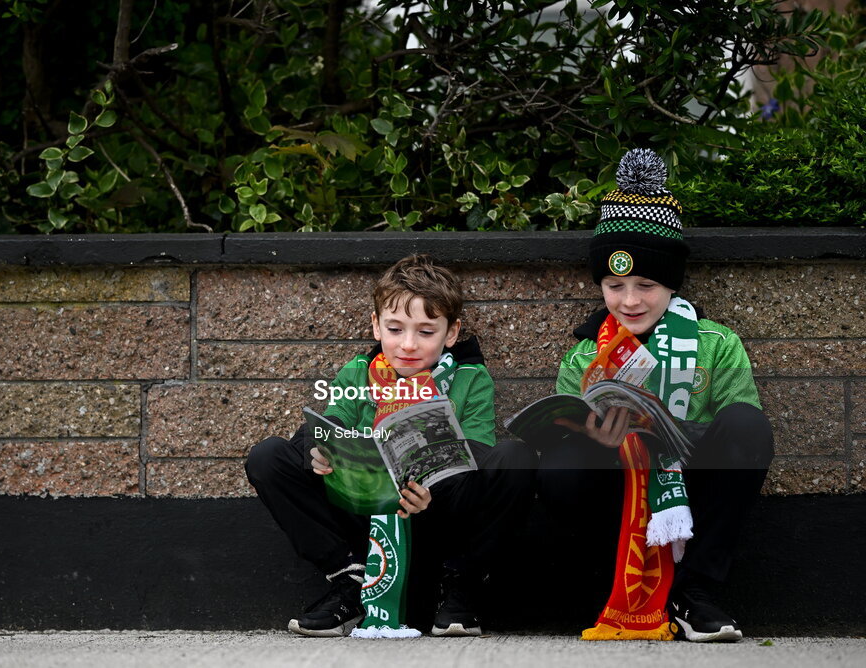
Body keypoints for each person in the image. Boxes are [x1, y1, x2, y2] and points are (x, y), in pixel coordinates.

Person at [537, 149, 774, 642]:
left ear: (670, 281)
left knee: (747, 426)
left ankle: (697, 592)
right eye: (614, 284)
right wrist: (590, 436)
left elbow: (741, 426)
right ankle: (617, 587)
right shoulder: (584, 355)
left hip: (695, 489)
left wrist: (673, 436)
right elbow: (559, 433)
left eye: (646, 284)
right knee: (559, 463)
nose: (630, 301)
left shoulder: (715, 343)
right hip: (617, 494)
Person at [246, 254, 536, 637]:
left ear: (451, 333)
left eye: (426, 332)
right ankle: (351, 580)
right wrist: (320, 450)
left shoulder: (470, 377)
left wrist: (432, 487)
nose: (408, 344)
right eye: (395, 329)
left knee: (514, 458)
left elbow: (479, 452)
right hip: (364, 512)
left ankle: (460, 589)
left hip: (438, 516)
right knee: (269, 456)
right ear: (376, 326)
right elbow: (331, 422)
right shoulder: (357, 372)